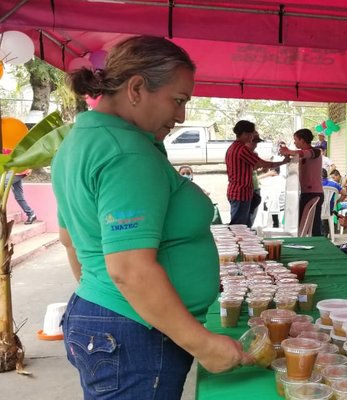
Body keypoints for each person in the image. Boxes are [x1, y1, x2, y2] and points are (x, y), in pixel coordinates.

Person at [54, 36, 248, 400]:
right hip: (135, 333)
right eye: (178, 101)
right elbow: (130, 269)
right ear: (137, 88)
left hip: (109, 320)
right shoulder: (128, 153)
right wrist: (202, 343)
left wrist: (105, 302)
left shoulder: (82, 138)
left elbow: (71, 241)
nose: (181, 116)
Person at [226, 120, 287, 226]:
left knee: (242, 226)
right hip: (241, 193)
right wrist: (283, 162)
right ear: (245, 134)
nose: (252, 138)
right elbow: (262, 163)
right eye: (252, 135)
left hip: (237, 191)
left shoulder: (233, 148)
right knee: (240, 228)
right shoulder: (242, 149)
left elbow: (255, 165)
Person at [279, 128, 324, 236]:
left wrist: (289, 151)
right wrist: (287, 154)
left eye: (296, 140)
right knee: (302, 224)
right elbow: (297, 156)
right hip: (305, 193)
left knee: (313, 225)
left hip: (314, 193)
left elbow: (305, 153)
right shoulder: (300, 154)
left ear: (302, 140)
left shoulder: (316, 151)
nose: (294, 142)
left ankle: (317, 244)